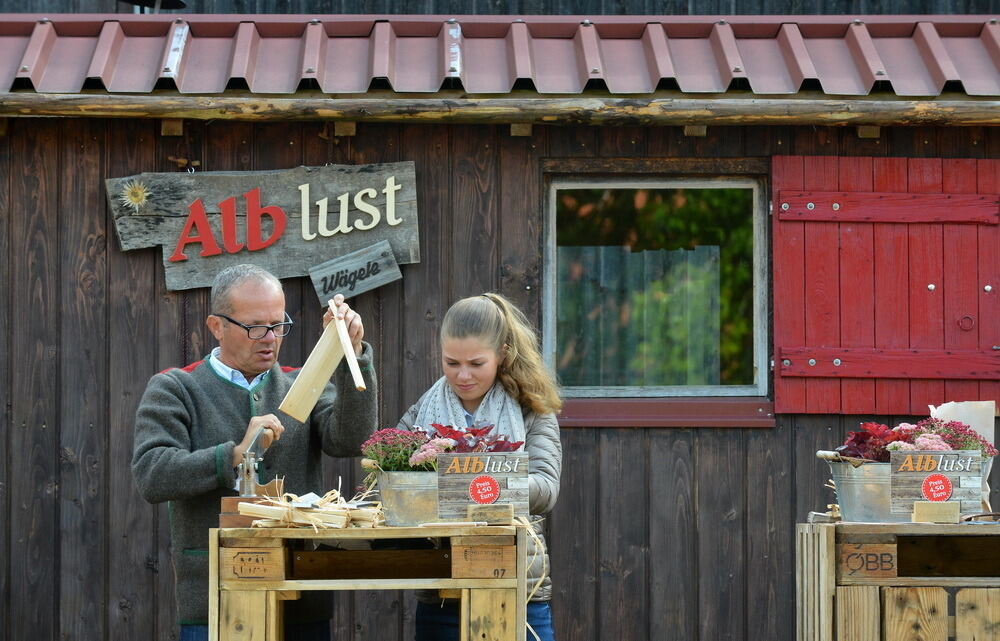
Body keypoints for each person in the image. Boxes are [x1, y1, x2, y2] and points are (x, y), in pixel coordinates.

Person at [132, 264, 378, 641]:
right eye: (255, 327)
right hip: (216, 597)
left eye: (278, 325)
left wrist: (354, 354)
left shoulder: (302, 384)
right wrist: (233, 455)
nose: (270, 338)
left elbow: (349, 441)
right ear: (216, 326)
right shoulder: (176, 388)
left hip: (301, 595)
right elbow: (152, 474)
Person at [396, 293, 562, 641]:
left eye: (476, 363)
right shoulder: (424, 410)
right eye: (451, 363)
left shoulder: (531, 409)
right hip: (442, 586)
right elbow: (394, 478)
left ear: (502, 354)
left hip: (518, 589)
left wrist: (475, 484)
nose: (463, 375)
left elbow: (545, 489)